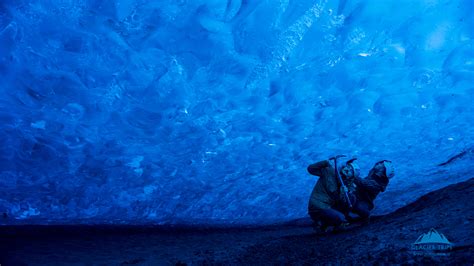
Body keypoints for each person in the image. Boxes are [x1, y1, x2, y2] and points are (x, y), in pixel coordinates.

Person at [307, 156, 360, 232]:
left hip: (329, 206)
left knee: (352, 198)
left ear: (351, 177)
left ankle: (331, 223)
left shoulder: (345, 184)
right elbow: (310, 169)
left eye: (351, 171)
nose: (348, 170)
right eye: (348, 167)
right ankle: (321, 223)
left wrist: (344, 192)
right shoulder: (329, 171)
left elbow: (341, 201)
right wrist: (325, 162)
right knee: (340, 218)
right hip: (317, 206)